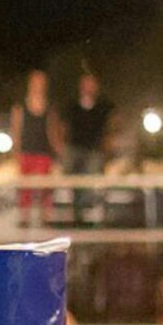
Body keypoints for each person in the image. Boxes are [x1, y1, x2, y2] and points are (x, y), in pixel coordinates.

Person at [9, 70, 62, 225]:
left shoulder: (49, 107)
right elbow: (16, 130)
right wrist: (16, 153)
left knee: (44, 187)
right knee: (25, 188)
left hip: (43, 152)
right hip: (26, 152)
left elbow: (51, 131)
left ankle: (45, 217)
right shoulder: (20, 106)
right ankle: (24, 218)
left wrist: (58, 149)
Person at [63, 69, 111, 224]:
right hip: (75, 148)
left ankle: (86, 209)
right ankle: (77, 210)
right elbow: (61, 126)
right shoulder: (72, 105)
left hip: (94, 150)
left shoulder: (104, 106)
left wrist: (107, 143)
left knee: (91, 169)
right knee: (71, 169)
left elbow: (113, 125)